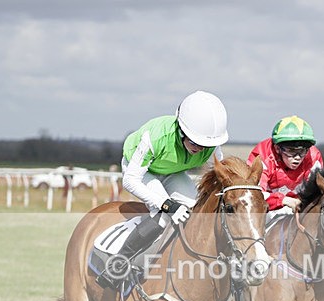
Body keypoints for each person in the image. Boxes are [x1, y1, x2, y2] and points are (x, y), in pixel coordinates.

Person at [96, 90, 229, 289]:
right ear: (181, 130)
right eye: (195, 142)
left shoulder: (210, 145)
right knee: (165, 216)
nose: (200, 149)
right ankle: (118, 264)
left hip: (174, 172)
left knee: (194, 211)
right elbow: (131, 180)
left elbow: (220, 177)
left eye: (205, 145)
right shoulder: (155, 135)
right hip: (142, 172)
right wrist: (166, 204)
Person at [247, 115, 323, 215]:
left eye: (302, 151)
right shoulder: (262, 156)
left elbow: (316, 195)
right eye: (291, 151)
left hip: (298, 207)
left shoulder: (313, 157)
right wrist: (284, 200)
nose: (298, 157)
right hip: (266, 209)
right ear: (277, 148)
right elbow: (254, 195)